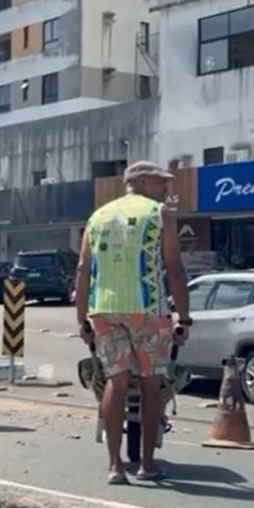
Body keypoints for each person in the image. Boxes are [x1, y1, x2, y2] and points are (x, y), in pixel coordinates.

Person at [75, 162, 191, 485]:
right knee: (152, 383)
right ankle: (147, 465)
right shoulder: (158, 213)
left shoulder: (97, 216)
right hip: (148, 308)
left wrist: (81, 317)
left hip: (105, 310)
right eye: (160, 182)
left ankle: (115, 466)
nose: (166, 189)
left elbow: (83, 269)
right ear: (139, 181)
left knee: (116, 380)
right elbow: (175, 269)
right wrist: (184, 316)